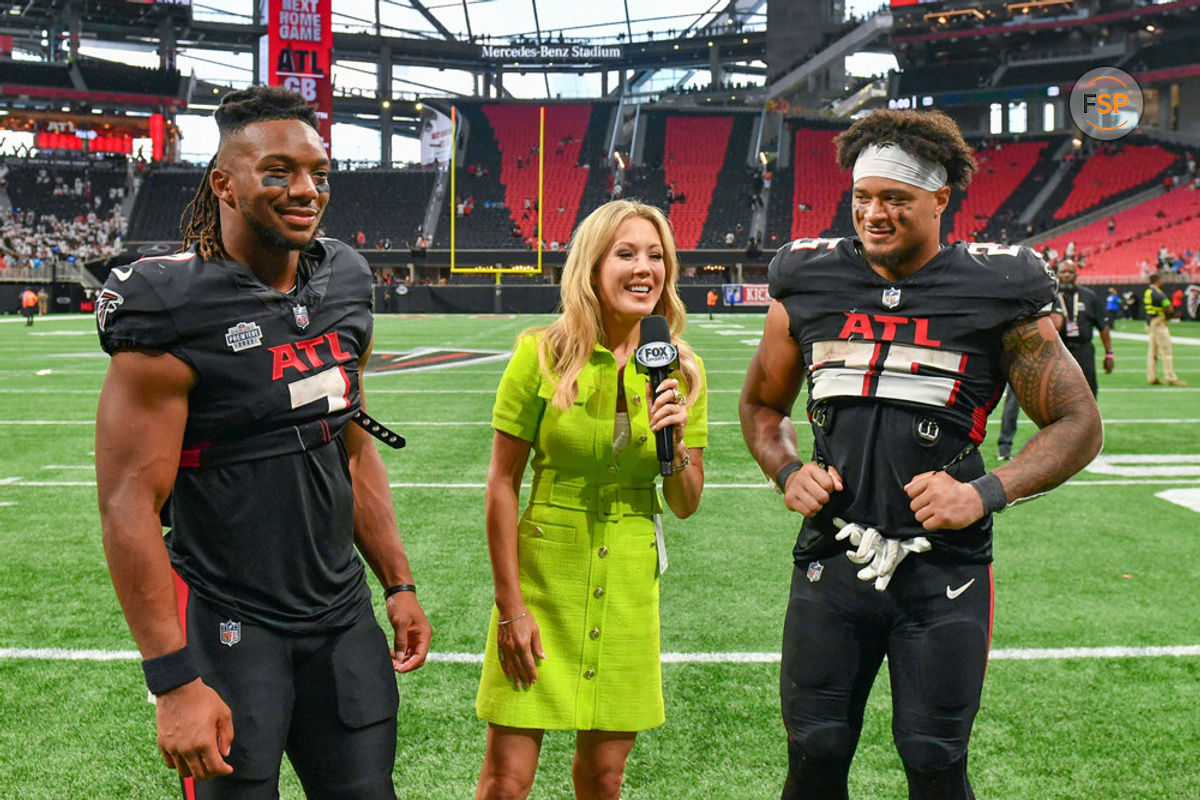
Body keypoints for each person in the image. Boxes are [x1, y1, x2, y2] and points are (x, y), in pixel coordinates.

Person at [738, 109, 1102, 800]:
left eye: (895, 199)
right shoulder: (809, 278)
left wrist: (986, 491)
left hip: (944, 575)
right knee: (814, 755)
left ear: (941, 199)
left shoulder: (999, 287)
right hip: (832, 560)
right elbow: (760, 405)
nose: (874, 214)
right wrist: (786, 470)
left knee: (934, 761)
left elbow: (1077, 423)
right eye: (862, 198)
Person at [94, 86, 431, 800]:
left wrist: (396, 581)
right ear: (224, 182)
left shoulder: (344, 279)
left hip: (341, 616)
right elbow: (129, 503)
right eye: (277, 171)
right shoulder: (168, 306)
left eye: (317, 172)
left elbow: (353, 441)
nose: (306, 189)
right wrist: (174, 677)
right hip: (227, 622)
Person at [474, 199, 708, 800]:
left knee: (604, 777)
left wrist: (675, 441)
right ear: (592, 266)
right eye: (626, 253)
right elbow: (502, 485)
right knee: (506, 779)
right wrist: (511, 608)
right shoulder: (540, 354)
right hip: (545, 579)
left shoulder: (682, 368)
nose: (644, 268)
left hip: (629, 577)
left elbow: (685, 503)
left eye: (656, 256)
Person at [1053, 259, 1114, 396]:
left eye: (1070, 272)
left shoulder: (1089, 296)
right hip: (1058, 349)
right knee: (1057, 393)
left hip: (1083, 349)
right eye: (1063, 272)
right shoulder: (1049, 296)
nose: (1067, 275)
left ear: (1076, 275)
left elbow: (1103, 326)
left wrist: (1109, 353)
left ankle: (1089, 418)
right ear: (1056, 274)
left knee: (1088, 391)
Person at [1144, 272, 1186, 386]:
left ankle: (1152, 377)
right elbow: (1168, 306)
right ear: (1157, 281)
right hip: (1159, 322)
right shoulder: (1158, 293)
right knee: (1166, 351)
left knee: (1152, 352)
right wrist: (1171, 315)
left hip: (1151, 322)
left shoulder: (1148, 291)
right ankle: (1171, 377)